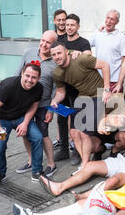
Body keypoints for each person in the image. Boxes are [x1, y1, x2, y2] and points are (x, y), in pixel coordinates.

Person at [39, 82, 125, 196]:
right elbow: (97, 112)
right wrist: (104, 120)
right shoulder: (115, 98)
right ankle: (61, 185)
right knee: (88, 148)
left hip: (120, 147)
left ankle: (112, 152)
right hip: (103, 134)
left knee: (123, 139)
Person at [47, 41, 112, 175]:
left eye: (59, 53)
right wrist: (54, 100)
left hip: (98, 95)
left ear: (66, 52)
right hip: (82, 98)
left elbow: (105, 65)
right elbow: (61, 92)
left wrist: (106, 89)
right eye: (54, 55)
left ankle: (85, 165)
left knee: (84, 132)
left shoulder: (81, 59)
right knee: (74, 133)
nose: (57, 56)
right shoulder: (57, 73)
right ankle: (86, 163)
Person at [0, 63, 44, 187]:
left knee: (38, 137)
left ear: (38, 78)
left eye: (34, 77)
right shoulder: (9, 85)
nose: (30, 80)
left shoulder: (39, 88)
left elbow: (34, 106)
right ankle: (0, 173)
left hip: (20, 117)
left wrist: (25, 123)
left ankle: (37, 171)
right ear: (22, 73)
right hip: (1, 119)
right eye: (27, 76)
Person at [13, 30, 58, 178]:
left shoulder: (55, 62)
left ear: (53, 45)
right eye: (43, 40)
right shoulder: (29, 53)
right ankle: (31, 161)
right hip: (24, 102)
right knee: (25, 133)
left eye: (48, 42)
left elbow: (56, 89)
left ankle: (51, 164)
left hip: (43, 105)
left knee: (43, 135)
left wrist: (51, 110)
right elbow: (17, 73)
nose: (44, 44)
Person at [55, 13, 92, 165]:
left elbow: (89, 56)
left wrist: (81, 54)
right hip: (63, 89)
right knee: (61, 119)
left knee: (77, 121)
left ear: (78, 26)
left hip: (78, 91)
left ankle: (76, 151)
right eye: (67, 24)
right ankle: (63, 149)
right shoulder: (60, 42)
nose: (69, 27)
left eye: (72, 25)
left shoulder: (83, 43)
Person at [89, 10, 125, 91]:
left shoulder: (121, 37)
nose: (108, 21)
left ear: (117, 22)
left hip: (114, 81)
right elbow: (87, 44)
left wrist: (120, 82)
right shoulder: (98, 34)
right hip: (99, 80)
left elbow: (124, 61)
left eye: (112, 19)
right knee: (99, 103)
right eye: (107, 18)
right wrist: (97, 31)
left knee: (114, 103)